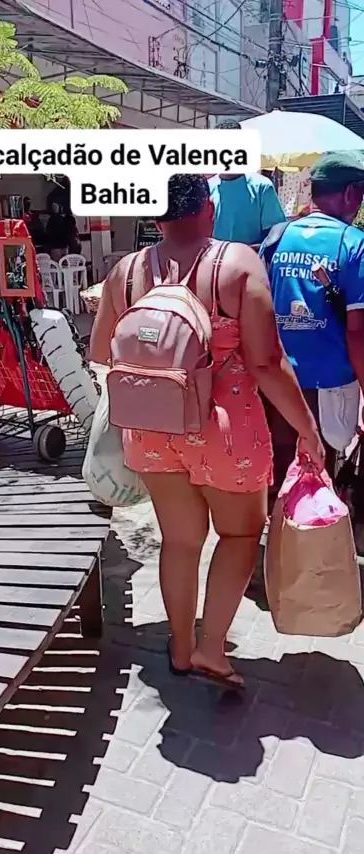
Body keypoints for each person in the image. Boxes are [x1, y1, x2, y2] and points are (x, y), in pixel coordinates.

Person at [90, 174, 324, 688]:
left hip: (152, 427)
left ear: (155, 216)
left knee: (178, 540)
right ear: (209, 210)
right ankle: (212, 649)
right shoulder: (237, 263)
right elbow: (266, 362)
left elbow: (102, 350)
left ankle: (179, 648)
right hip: (226, 429)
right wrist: (306, 428)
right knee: (238, 533)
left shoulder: (126, 272)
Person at [262, 152, 364, 505]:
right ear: (350, 193)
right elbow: (357, 331)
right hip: (329, 383)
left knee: (279, 464)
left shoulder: (276, 238)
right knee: (319, 473)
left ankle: (278, 527)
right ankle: (314, 532)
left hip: (277, 379)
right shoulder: (353, 243)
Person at [209, 119, 286, 247]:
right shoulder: (206, 188)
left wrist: (243, 253)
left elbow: (274, 236)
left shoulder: (261, 187)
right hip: (212, 259)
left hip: (251, 258)